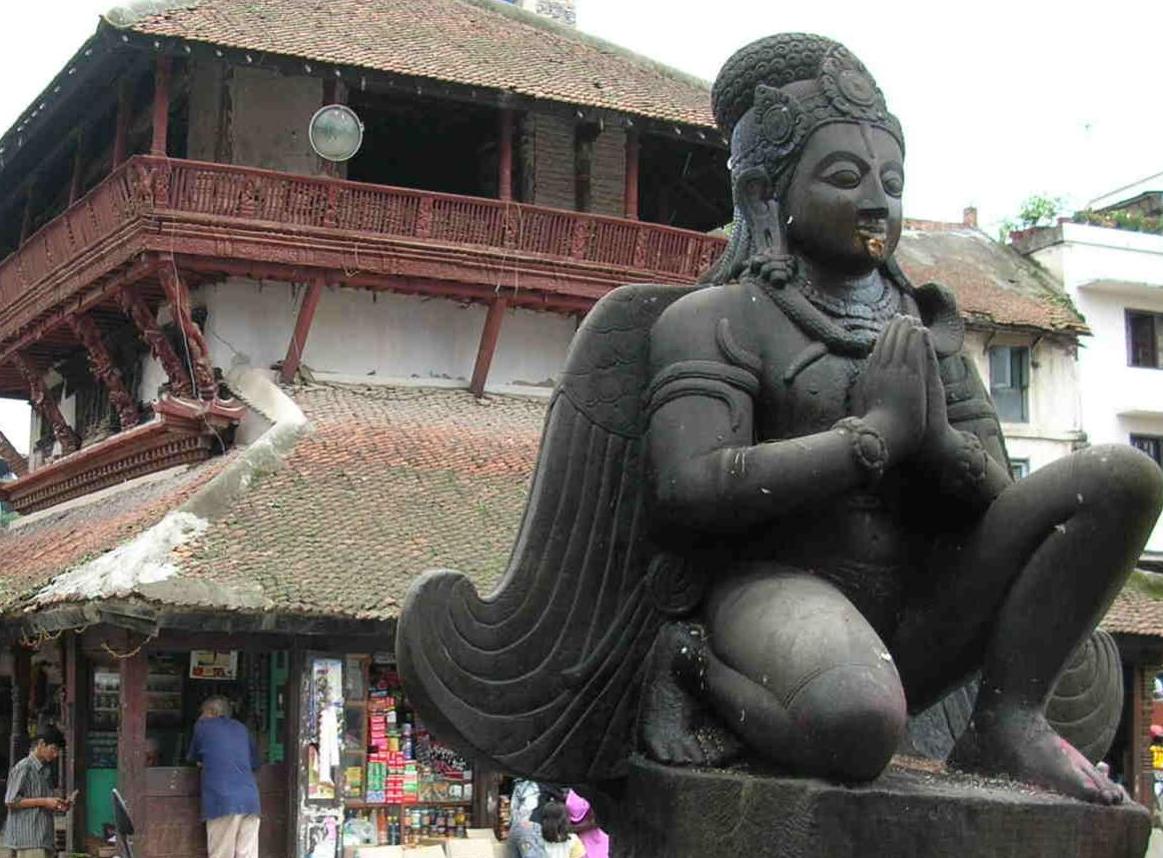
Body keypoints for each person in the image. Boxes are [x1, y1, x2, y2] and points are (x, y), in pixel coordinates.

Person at [187, 696, 261, 858]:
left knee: (221, 854)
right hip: (250, 801)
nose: (200, 716)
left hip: (222, 801)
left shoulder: (203, 726)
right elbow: (254, 763)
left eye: (202, 712)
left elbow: (194, 759)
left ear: (211, 712)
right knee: (247, 855)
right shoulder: (242, 728)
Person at [2, 727, 70, 858]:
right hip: (27, 839)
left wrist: (57, 804)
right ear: (41, 744)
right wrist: (44, 801)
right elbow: (11, 800)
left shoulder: (45, 770)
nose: (55, 755)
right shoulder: (24, 767)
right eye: (53, 749)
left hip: (43, 836)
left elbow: (43, 801)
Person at [564, 790, 607, 858]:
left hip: (581, 840)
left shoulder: (571, 798)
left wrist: (572, 829)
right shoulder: (591, 794)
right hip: (596, 838)